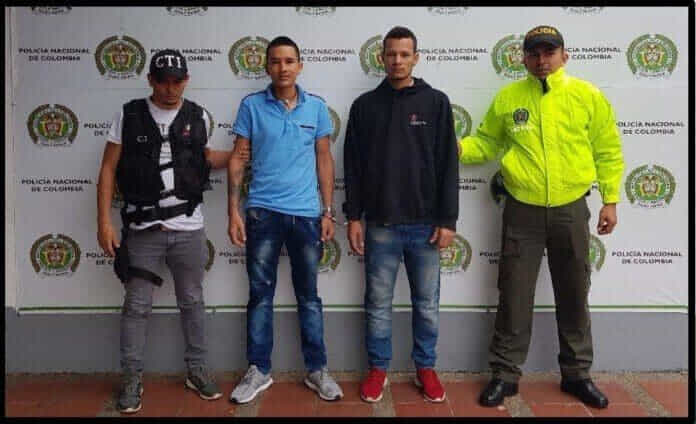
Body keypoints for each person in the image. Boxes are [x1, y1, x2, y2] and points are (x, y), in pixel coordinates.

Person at [458, 25, 624, 409]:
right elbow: (487, 142)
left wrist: (611, 200)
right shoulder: (509, 98)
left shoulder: (587, 96)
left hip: (571, 209)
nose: (542, 60)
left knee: (574, 292)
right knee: (514, 294)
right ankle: (505, 375)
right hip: (522, 210)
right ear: (523, 58)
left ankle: (577, 374)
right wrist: (457, 147)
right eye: (534, 53)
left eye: (549, 52)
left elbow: (608, 148)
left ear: (565, 55)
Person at [97, 49, 233, 413]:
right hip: (143, 229)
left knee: (192, 301)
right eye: (163, 81)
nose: (170, 88)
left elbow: (206, 159)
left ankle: (197, 370)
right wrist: (103, 222)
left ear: (186, 80)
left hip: (189, 228)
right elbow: (108, 168)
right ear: (151, 81)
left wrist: (241, 153)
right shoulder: (128, 115)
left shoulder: (198, 115)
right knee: (136, 306)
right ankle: (131, 378)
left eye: (177, 81)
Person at [343, 26, 459, 403]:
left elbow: (448, 165)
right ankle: (378, 369)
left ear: (416, 58)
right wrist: (353, 216)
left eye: (404, 54)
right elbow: (353, 167)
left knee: (427, 304)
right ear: (382, 58)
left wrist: (448, 220)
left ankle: (425, 367)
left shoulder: (436, 102)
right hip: (381, 225)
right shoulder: (364, 106)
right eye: (391, 54)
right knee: (378, 304)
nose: (397, 60)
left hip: (426, 226)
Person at [227, 36, 343, 404]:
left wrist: (328, 210)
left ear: (300, 65)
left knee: (309, 296)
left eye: (289, 61)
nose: (283, 68)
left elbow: (324, 160)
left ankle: (317, 370)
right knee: (260, 295)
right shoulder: (251, 106)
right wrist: (233, 211)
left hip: (306, 216)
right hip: (262, 212)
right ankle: (258, 370)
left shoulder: (316, 108)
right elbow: (237, 158)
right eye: (276, 61)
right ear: (266, 67)